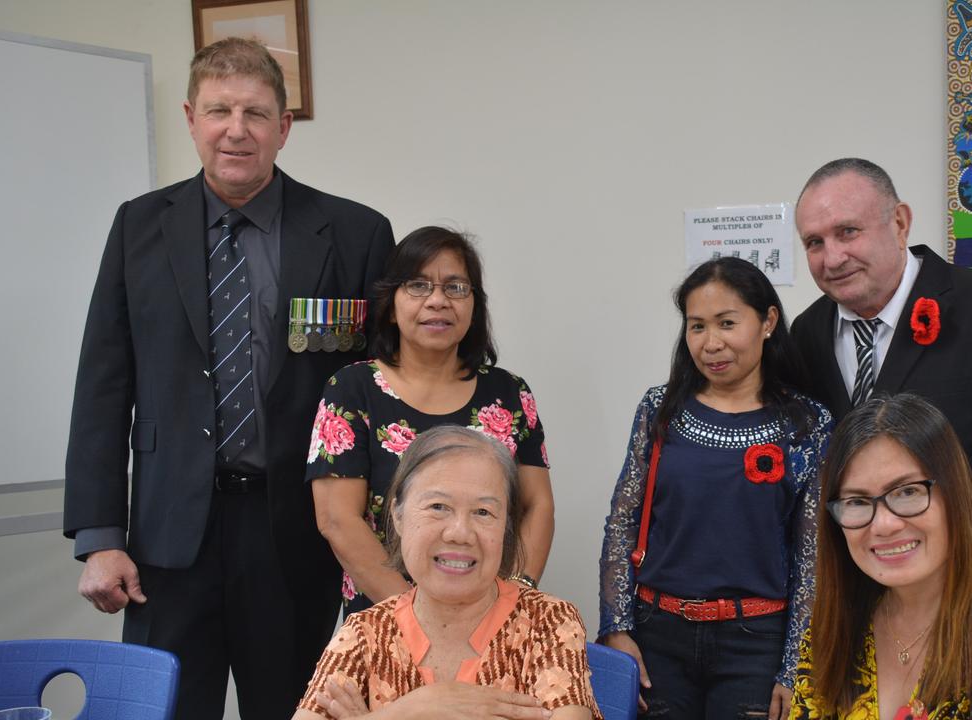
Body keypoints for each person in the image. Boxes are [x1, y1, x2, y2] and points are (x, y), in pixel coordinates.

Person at [64, 37, 394, 719]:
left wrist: (389, 540)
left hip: (298, 534)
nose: (235, 130)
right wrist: (100, 536)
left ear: (284, 125)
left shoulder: (355, 234)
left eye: (254, 112)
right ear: (191, 118)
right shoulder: (137, 228)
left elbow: (382, 392)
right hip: (167, 542)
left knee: (292, 710)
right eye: (218, 111)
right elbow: (102, 385)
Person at [790, 158, 972, 601]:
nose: (832, 257)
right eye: (814, 242)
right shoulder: (808, 332)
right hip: (855, 604)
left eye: (848, 231)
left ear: (900, 222)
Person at [599, 258, 833, 720]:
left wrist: (793, 668)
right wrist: (617, 627)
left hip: (755, 643)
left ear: (767, 321)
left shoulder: (806, 423)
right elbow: (623, 522)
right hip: (657, 636)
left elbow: (813, 557)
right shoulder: (659, 409)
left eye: (728, 323)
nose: (711, 343)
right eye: (697, 326)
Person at [307, 226, 553, 614]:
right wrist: (415, 617)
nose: (437, 301)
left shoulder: (509, 392)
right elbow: (337, 519)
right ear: (391, 303)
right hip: (387, 618)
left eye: (455, 287)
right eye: (418, 286)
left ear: (475, 305)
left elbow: (537, 506)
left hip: (493, 618)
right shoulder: (353, 388)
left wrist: (512, 601)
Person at [790, 394, 972, 720]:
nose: (884, 524)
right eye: (856, 502)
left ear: (954, 494)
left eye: (907, 492)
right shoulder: (837, 622)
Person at [294, 425, 600, 720]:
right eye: (438, 506)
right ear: (397, 515)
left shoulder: (547, 622)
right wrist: (413, 710)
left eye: (483, 512)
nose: (460, 533)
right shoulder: (365, 633)